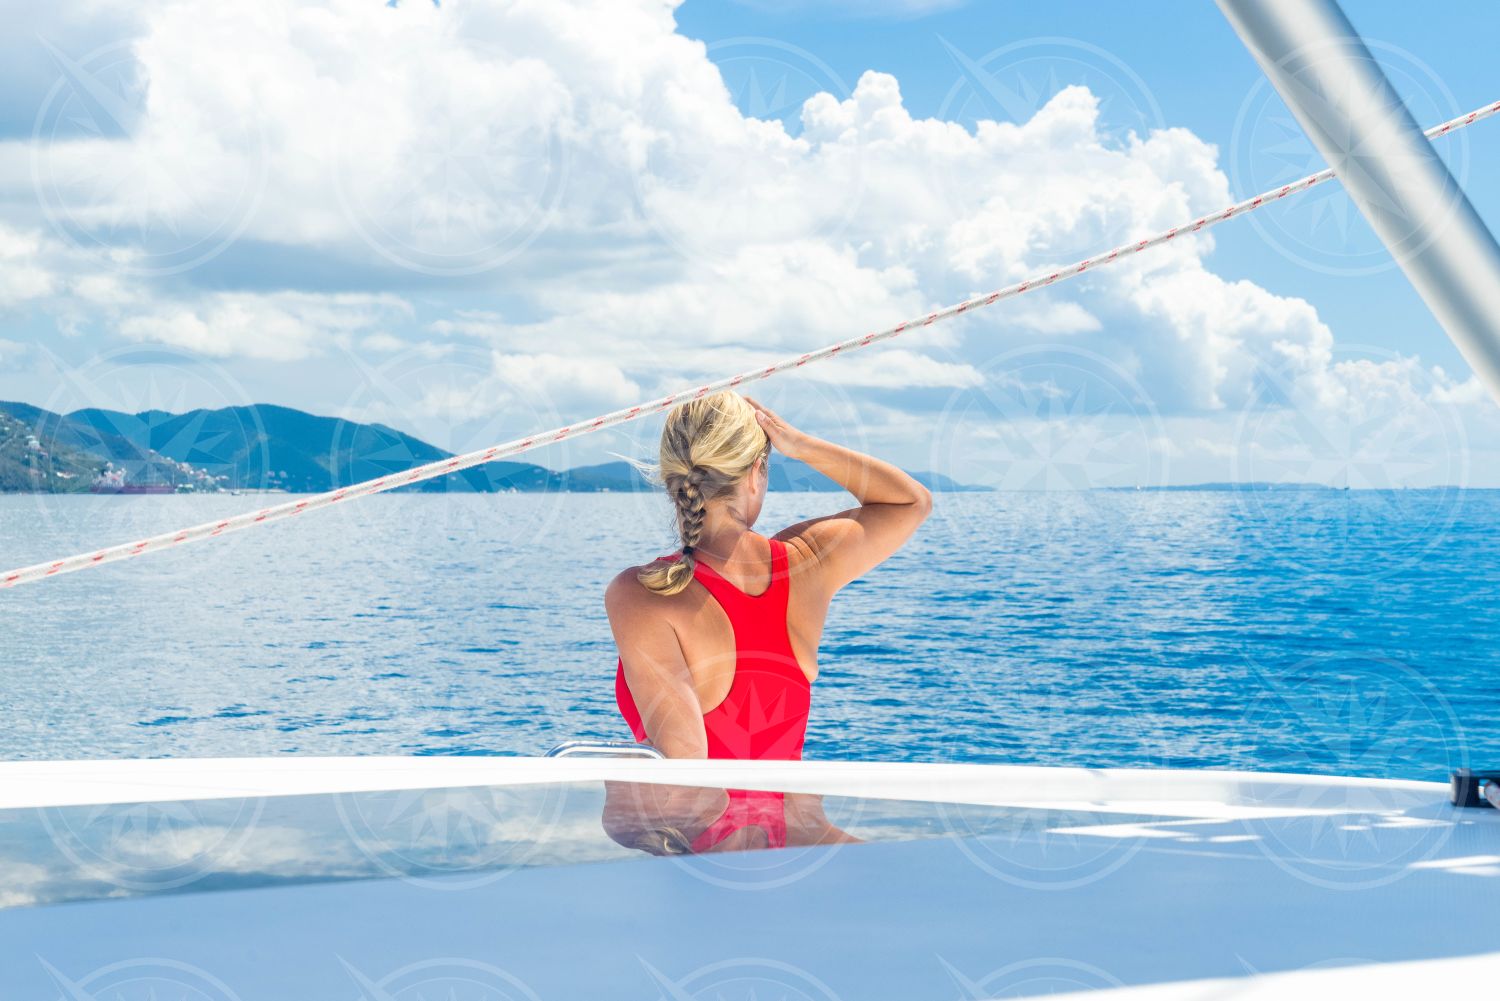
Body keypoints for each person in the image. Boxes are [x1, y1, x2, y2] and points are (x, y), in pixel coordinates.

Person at [607, 391, 931, 760]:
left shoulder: (640, 594)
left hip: (687, 820)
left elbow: (685, 775)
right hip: (792, 821)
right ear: (754, 475)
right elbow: (910, 502)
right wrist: (800, 445)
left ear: (670, 479)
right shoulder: (806, 562)